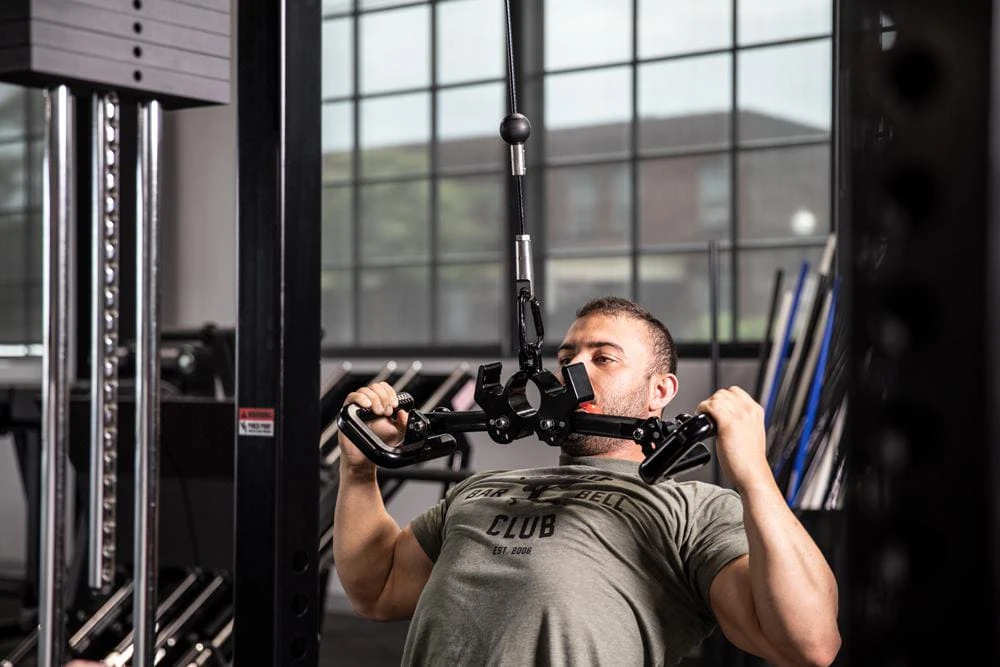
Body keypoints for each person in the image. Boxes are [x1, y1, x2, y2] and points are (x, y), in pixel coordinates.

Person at [333, 296, 841, 666]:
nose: (573, 369)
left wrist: (754, 476)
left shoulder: (692, 509)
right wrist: (358, 470)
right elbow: (377, 589)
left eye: (604, 358)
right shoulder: (481, 488)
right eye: (566, 358)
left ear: (660, 391)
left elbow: (809, 645)